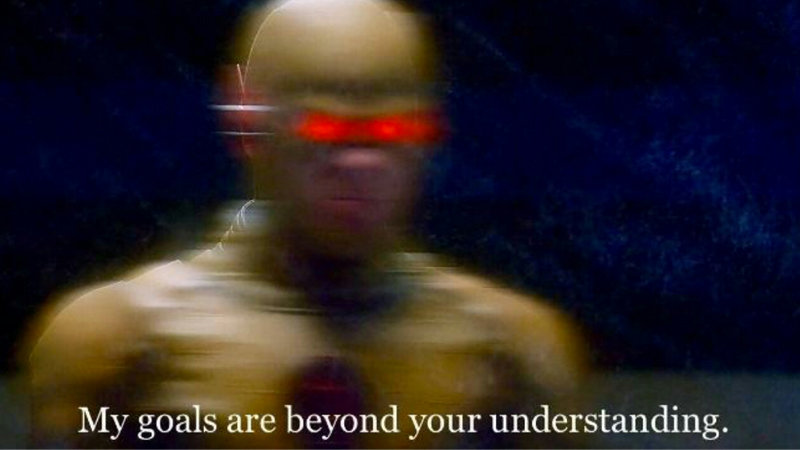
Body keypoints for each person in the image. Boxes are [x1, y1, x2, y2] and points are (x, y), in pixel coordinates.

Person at [24, 0, 587, 447]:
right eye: (326, 131)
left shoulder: (511, 351)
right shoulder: (117, 343)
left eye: (393, 133)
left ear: (431, 134)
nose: (361, 165)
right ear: (249, 126)